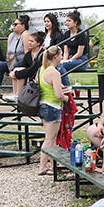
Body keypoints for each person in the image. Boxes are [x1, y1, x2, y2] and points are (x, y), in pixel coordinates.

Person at [37, 46, 69, 176]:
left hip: (43, 105)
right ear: (56, 56)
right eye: (61, 55)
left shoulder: (42, 69)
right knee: (49, 139)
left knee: (52, 138)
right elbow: (58, 95)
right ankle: (42, 167)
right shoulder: (54, 72)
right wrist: (66, 97)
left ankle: (53, 165)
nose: (62, 57)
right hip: (53, 106)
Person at [4, 31, 46, 102]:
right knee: (17, 70)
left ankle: (18, 95)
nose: (29, 43)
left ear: (38, 43)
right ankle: (15, 94)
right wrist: (13, 71)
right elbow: (22, 65)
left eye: (32, 41)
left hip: (39, 75)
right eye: (29, 40)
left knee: (20, 74)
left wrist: (17, 73)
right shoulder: (29, 54)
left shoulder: (42, 53)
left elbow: (33, 69)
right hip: (31, 75)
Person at [0, 15, 29, 88]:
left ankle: (16, 90)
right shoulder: (11, 35)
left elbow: (27, 52)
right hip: (12, 60)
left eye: (16, 24)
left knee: (16, 66)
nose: (14, 26)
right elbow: (8, 53)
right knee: (0, 66)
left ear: (23, 26)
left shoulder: (26, 34)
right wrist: (8, 63)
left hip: (22, 61)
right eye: (13, 24)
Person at [60, 10, 90, 79]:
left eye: (69, 21)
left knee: (61, 66)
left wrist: (68, 61)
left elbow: (80, 53)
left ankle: (66, 86)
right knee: (58, 65)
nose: (67, 23)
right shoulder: (66, 34)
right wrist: (64, 60)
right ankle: (63, 86)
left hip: (81, 60)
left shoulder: (81, 34)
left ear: (75, 22)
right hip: (71, 58)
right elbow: (66, 52)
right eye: (66, 21)